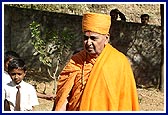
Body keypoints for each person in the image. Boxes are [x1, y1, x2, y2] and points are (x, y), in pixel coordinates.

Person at [52, 12, 140, 111]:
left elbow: (125, 101)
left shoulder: (119, 62)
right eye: (86, 38)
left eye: (93, 38)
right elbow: (64, 97)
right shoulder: (76, 60)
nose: (88, 43)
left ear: (106, 39)